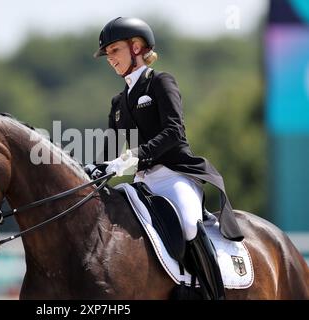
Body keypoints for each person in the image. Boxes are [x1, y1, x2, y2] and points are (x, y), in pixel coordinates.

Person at [85, 17, 244, 300]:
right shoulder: (118, 103)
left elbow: (174, 131)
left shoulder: (159, 82)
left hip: (175, 176)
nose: (110, 60)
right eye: (107, 54)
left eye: (114, 51)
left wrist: (135, 155)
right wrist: (93, 168)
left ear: (136, 47)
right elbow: (109, 149)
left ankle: (210, 293)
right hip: (141, 183)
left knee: (187, 223)